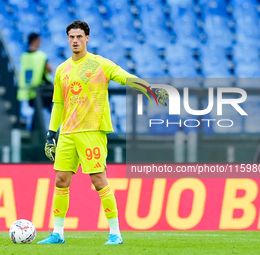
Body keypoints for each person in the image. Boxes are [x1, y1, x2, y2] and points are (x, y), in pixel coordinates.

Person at [37, 21, 168, 245]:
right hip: (67, 133)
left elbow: (123, 76)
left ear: (87, 38)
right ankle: (58, 234)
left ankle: (115, 233)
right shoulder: (61, 70)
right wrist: (51, 134)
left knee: (98, 180)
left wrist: (149, 89)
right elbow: (58, 104)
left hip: (92, 131)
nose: (75, 40)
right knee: (61, 180)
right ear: (67, 39)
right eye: (71, 37)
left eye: (79, 36)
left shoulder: (99, 64)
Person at [17, 33, 53, 131]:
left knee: (36, 112)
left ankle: (33, 130)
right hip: (43, 90)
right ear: (35, 41)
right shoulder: (41, 56)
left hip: (27, 90)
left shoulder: (23, 57)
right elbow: (49, 70)